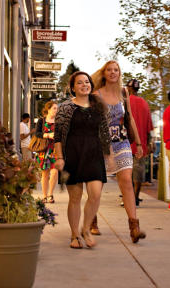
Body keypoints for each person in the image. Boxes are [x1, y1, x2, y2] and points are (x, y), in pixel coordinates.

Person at [53, 71, 111, 249]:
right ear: (72, 88)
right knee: (75, 198)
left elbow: (105, 133)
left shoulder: (99, 106)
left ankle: (86, 229)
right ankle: (75, 234)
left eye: (87, 82)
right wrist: (60, 157)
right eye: (80, 83)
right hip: (73, 153)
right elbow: (58, 136)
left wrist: (107, 156)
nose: (84, 85)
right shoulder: (65, 107)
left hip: (94, 153)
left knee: (95, 194)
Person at [91, 60, 146, 243]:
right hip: (101, 145)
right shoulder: (96, 94)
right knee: (97, 186)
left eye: (116, 70)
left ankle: (134, 227)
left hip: (121, 142)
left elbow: (129, 120)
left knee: (126, 181)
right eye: (109, 70)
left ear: (119, 73)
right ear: (104, 73)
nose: (113, 72)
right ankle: (92, 218)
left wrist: (138, 144)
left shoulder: (124, 93)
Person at [126, 79, 153, 207]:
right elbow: (149, 127)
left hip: (125, 143)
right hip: (140, 145)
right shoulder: (144, 103)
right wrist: (148, 143)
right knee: (138, 171)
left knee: (127, 172)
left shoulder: (124, 102)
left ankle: (128, 197)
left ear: (128, 88)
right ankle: (136, 198)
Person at [35, 101, 58, 203]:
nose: (56, 110)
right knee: (45, 174)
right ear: (48, 109)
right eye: (54, 108)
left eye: (57, 108)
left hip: (56, 150)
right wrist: (48, 135)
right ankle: (44, 196)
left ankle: (50, 195)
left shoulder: (59, 121)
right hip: (44, 150)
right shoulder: (42, 120)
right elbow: (37, 134)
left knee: (55, 172)